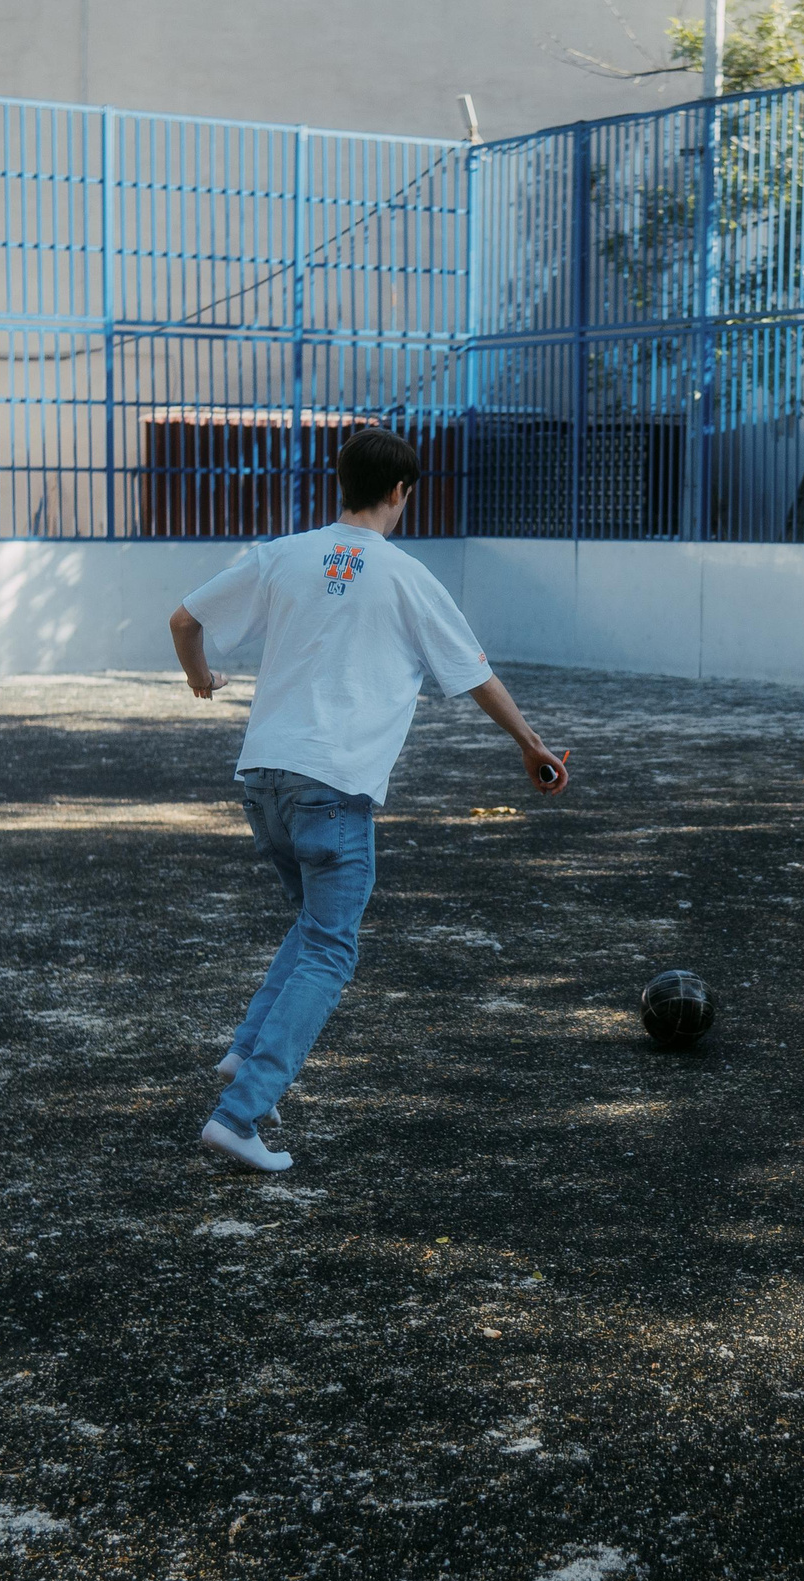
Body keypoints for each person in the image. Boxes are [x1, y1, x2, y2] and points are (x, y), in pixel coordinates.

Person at [169, 428, 568, 1173]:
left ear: (340, 482)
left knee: (314, 924)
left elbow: (184, 620)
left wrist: (199, 679)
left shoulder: (282, 553)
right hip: (333, 785)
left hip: (262, 780)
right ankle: (241, 1111)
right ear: (400, 492)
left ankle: (246, 1052)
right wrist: (530, 744)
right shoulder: (408, 576)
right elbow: (475, 675)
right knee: (331, 945)